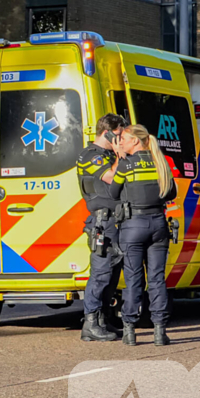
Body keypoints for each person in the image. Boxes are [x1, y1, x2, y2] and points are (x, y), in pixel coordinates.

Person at [108, 124, 178, 346]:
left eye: (124, 139)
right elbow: (172, 192)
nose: (121, 143)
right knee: (157, 279)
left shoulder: (127, 164)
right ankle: (160, 332)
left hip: (133, 226)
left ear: (135, 141)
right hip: (158, 224)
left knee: (133, 280)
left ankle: (129, 331)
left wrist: (119, 159)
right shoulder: (161, 162)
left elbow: (113, 192)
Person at [76, 113, 127, 342]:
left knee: (113, 274)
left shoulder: (108, 155)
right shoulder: (90, 155)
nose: (120, 139)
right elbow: (110, 177)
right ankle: (90, 323)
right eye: (118, 135)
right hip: (102, 222)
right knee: (101, 273)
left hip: (116, 221)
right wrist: (119, 156)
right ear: (106, 132)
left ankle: (103, 320)